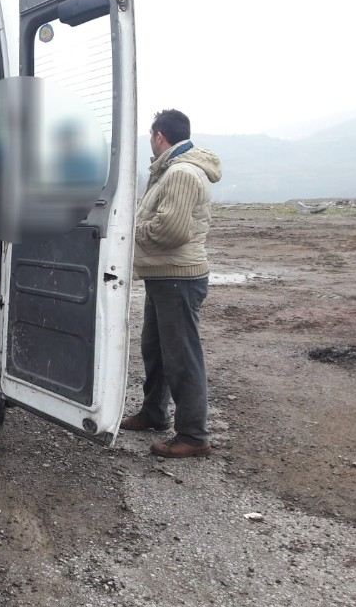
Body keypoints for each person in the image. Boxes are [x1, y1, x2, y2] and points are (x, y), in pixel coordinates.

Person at [120, 109, 222, 458]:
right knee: (157, 349)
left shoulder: (180, 173)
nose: (151, 142)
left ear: (159, 136)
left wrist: (129, 235)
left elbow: (171, 231)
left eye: (151, 137)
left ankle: (193, 436)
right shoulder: (171, 170)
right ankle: (154, 412)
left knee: (182, 356)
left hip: (178, 278)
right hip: (163, 276)